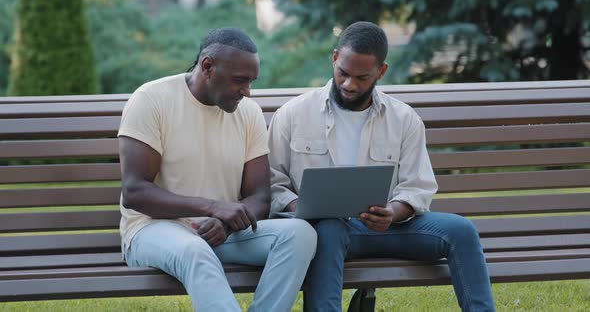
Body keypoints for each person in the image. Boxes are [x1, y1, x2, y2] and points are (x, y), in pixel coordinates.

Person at [268, 21, 495, 311]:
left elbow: (417, 187)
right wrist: (299, 208)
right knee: (328, 230)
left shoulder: (403, 118)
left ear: (381, 71)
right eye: (343, 73)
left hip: (387, 227)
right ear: (335, 58)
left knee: (461, 231)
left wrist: (394, 212)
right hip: (325, 232)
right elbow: (274, 184)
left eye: (362, 77)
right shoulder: (293, 114)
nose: (349, 85)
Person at [118, 27, 317, 312]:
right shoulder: (151, 99)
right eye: (240, 81)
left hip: (219, 233)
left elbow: (259, 197)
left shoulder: (248, 113)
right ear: (208, 66)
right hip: (152, 230)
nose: (247, 91)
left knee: (301, 234)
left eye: (251, 82)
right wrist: (213, 208)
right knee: (194, 250)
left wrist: (224, 223)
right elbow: (136, 192)